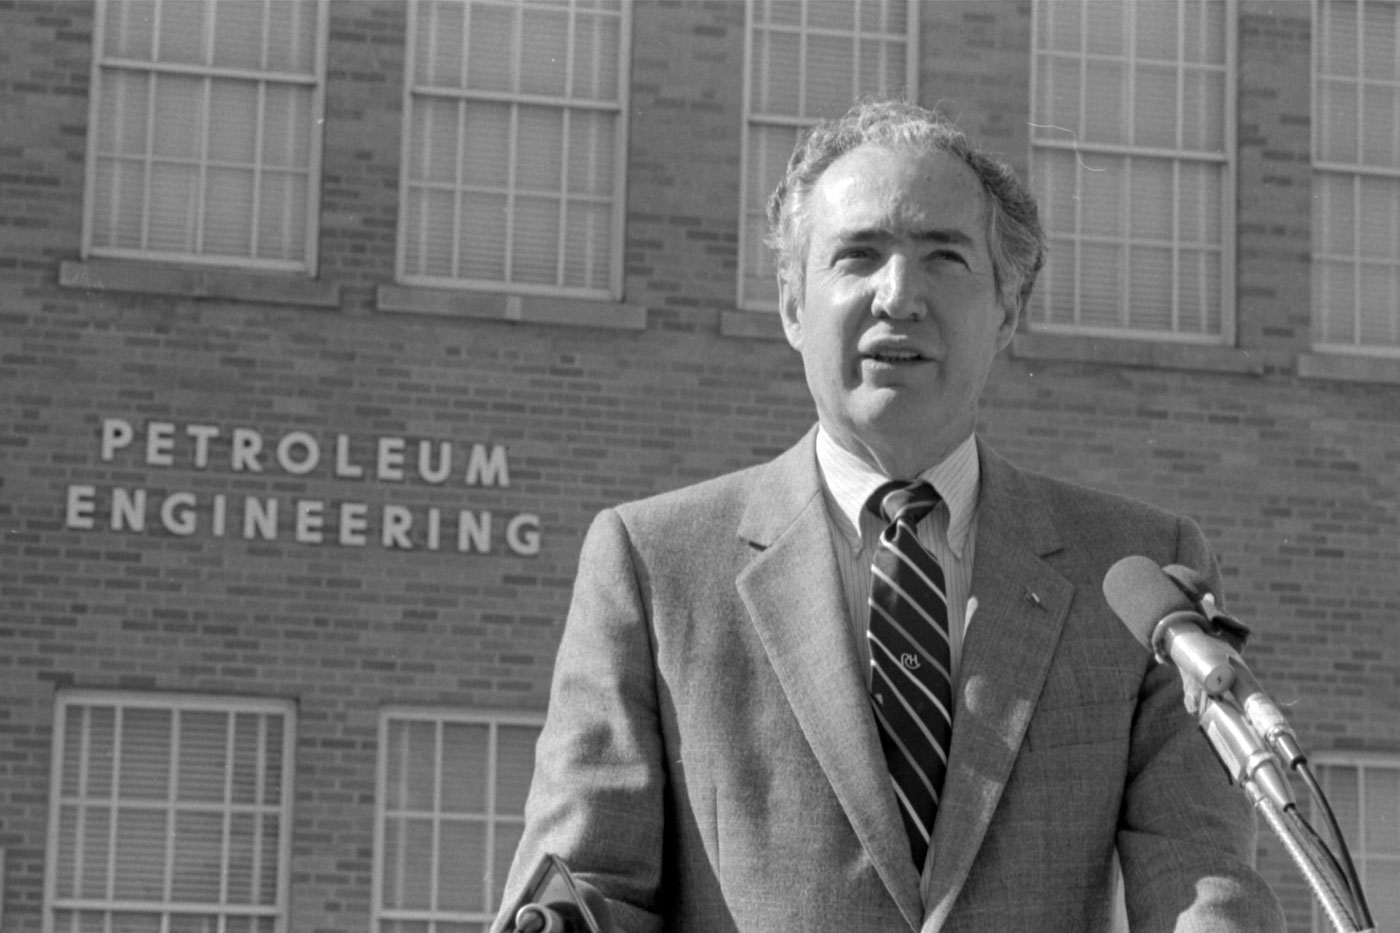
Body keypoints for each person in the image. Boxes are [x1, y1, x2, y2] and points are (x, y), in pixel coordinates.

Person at [492, 99, 1285, 932]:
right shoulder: (653, 566)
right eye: (858, 255)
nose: (898, 295)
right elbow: (586, 881)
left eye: (944, 257)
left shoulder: (1135, 575)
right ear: (794, 306)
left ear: (1008, 310)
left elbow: (1204, 879)